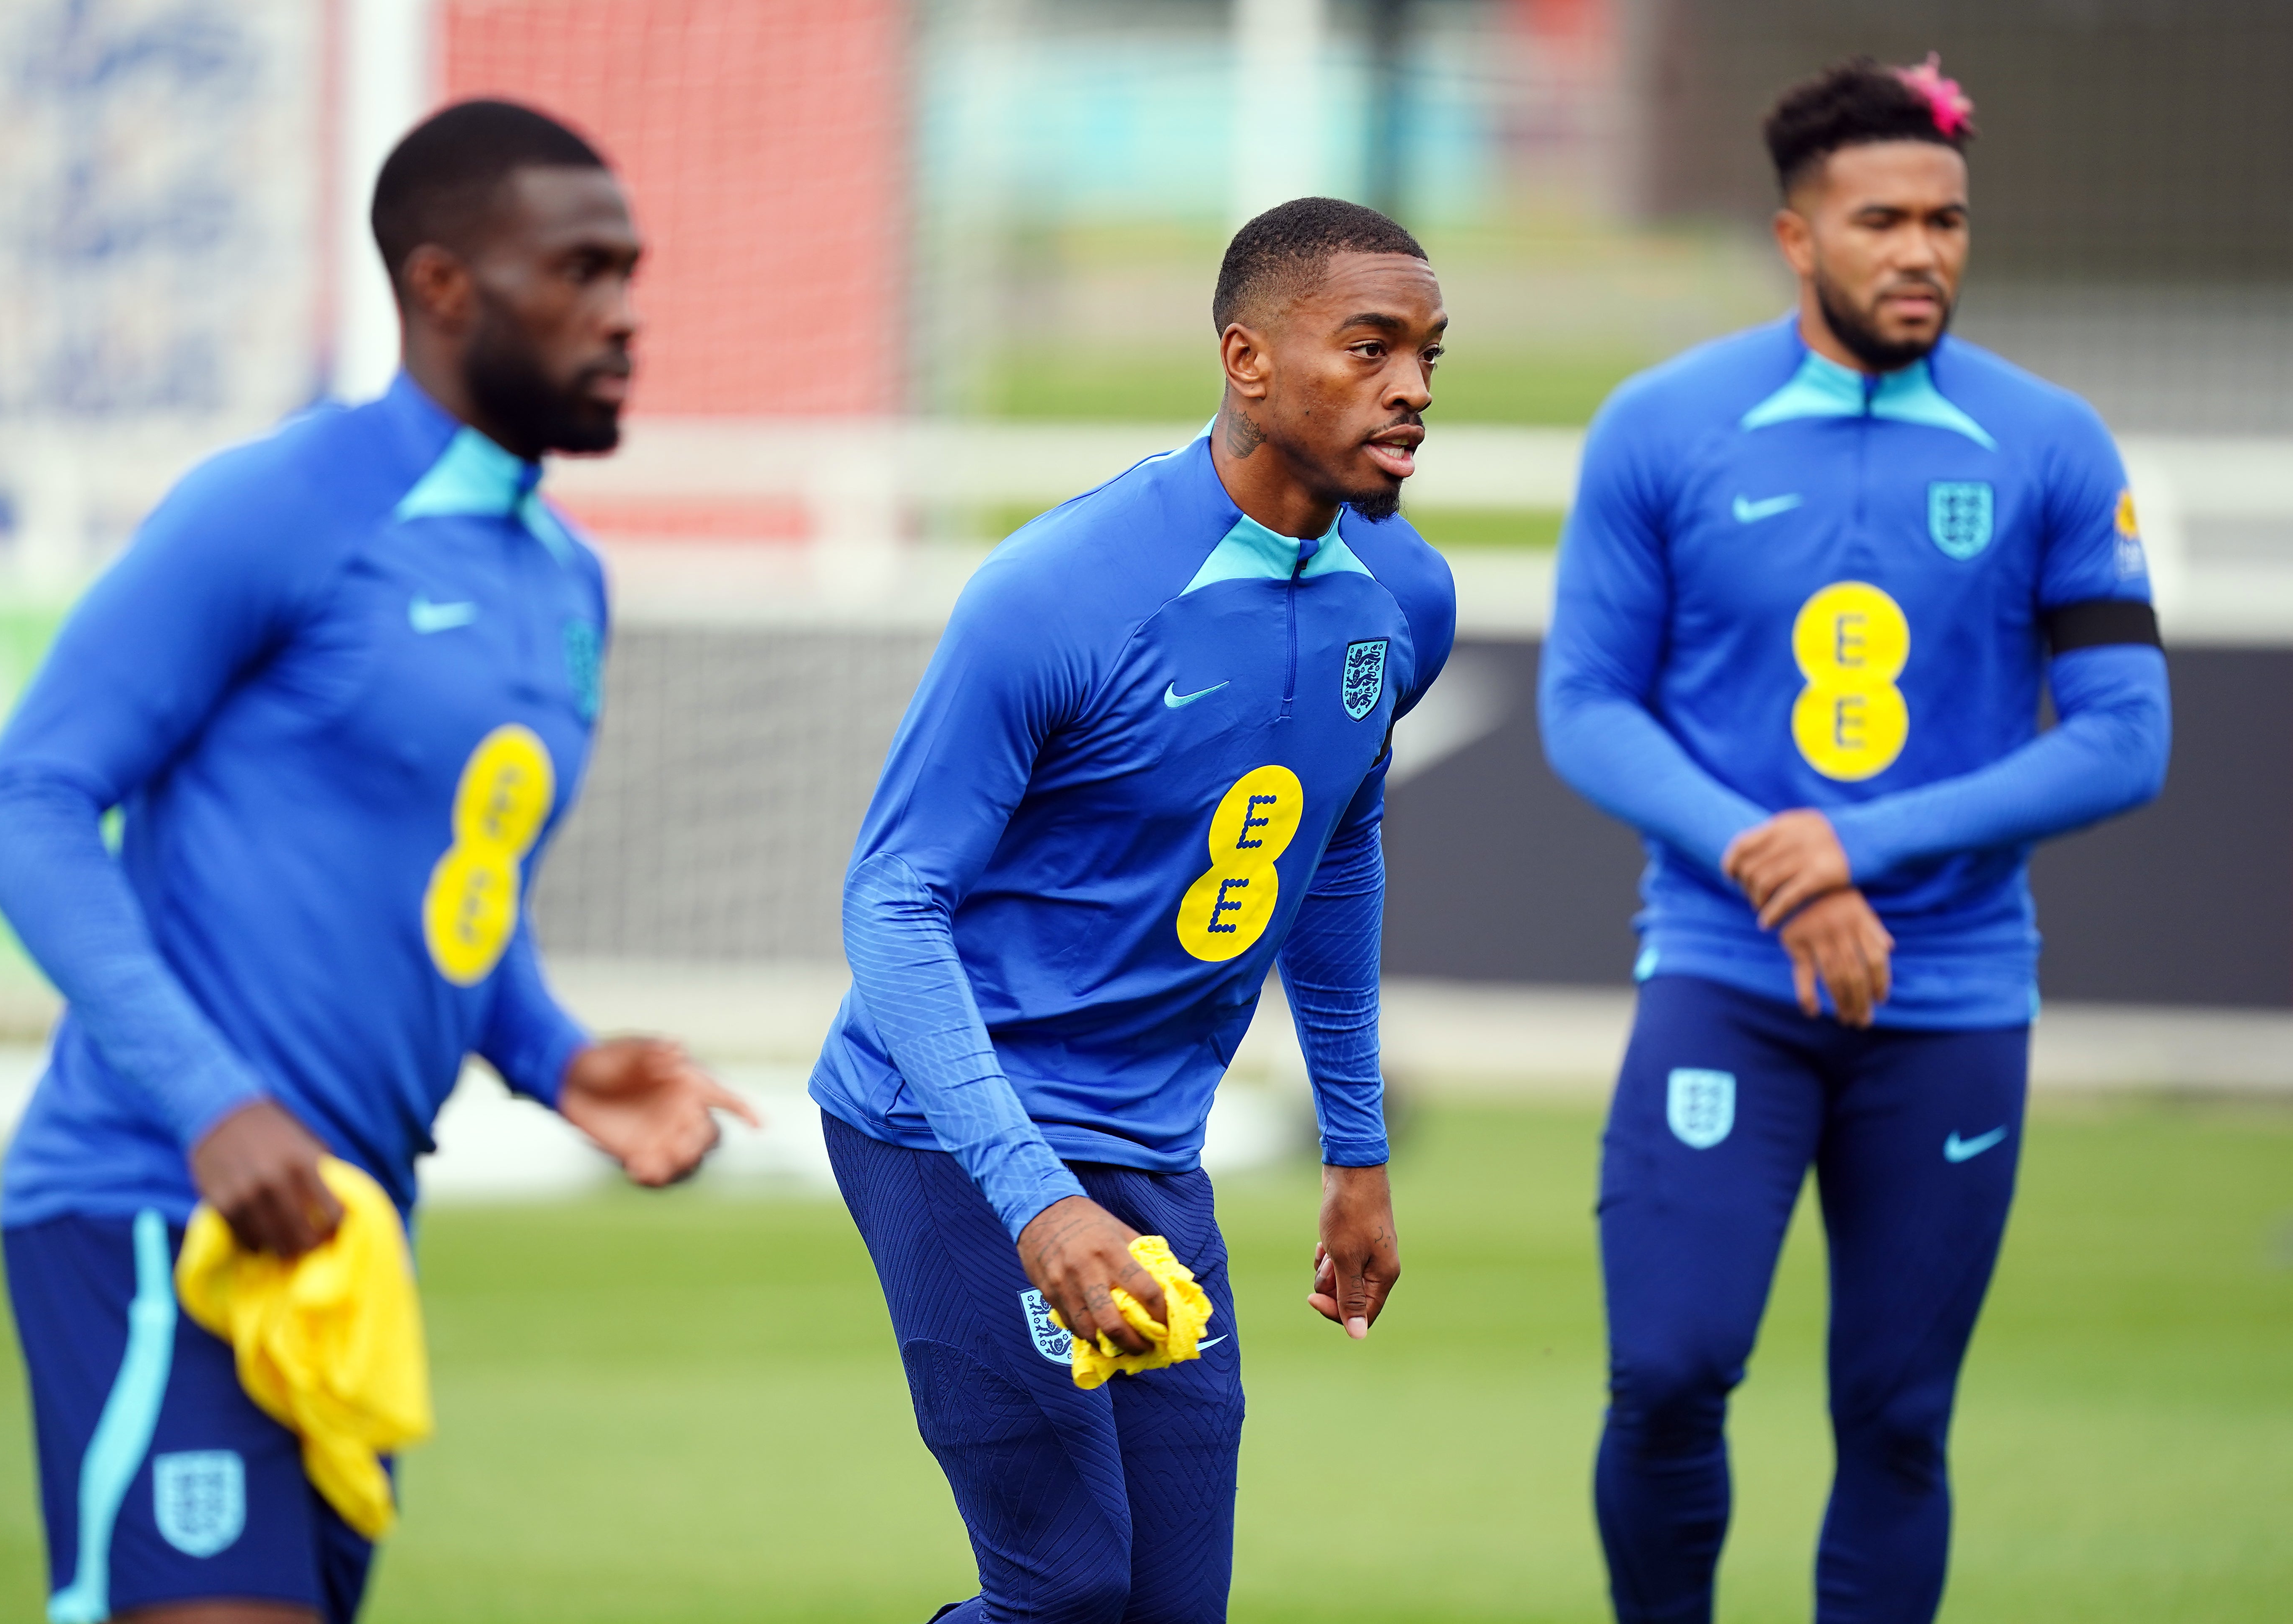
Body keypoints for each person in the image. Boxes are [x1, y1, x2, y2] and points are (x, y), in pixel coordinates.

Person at [0, 100, 755, 1624]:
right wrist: (215, 1107)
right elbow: (27, 802)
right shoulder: (279, 505)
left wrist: (551, 1057)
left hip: (343, 1241)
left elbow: (453, 889)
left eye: (632, 272)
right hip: (153, 1205)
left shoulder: (563, 580)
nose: (626, 315)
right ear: (445, 285)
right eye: (582, 273)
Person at [1539, 56, 2171, 1624]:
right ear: (1791, 237)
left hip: (1949, 1000)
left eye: (1947, 221)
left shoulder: (2055, 445)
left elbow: (2124, 736)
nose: (1921, 252)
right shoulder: (1662, 427)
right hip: (1721, 977)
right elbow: (1587, 708)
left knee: (1896, 1419)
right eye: (1880, 219)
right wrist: (1777, 860)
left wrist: (1859, 850)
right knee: (1670, 1375)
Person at [809, 196, 1455, 1623]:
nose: (1410, 390)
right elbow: (893, 902)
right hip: (948, 1133)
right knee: (1066, 1597)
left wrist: (1357, 1150)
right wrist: (1035, 1198)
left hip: (1153, 1152)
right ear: (1247, 360)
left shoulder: (1401, 597)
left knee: (1172, 1611)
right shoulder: (1060, 592)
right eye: (1368, 348)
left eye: (1425, 354)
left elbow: (1336, 851)